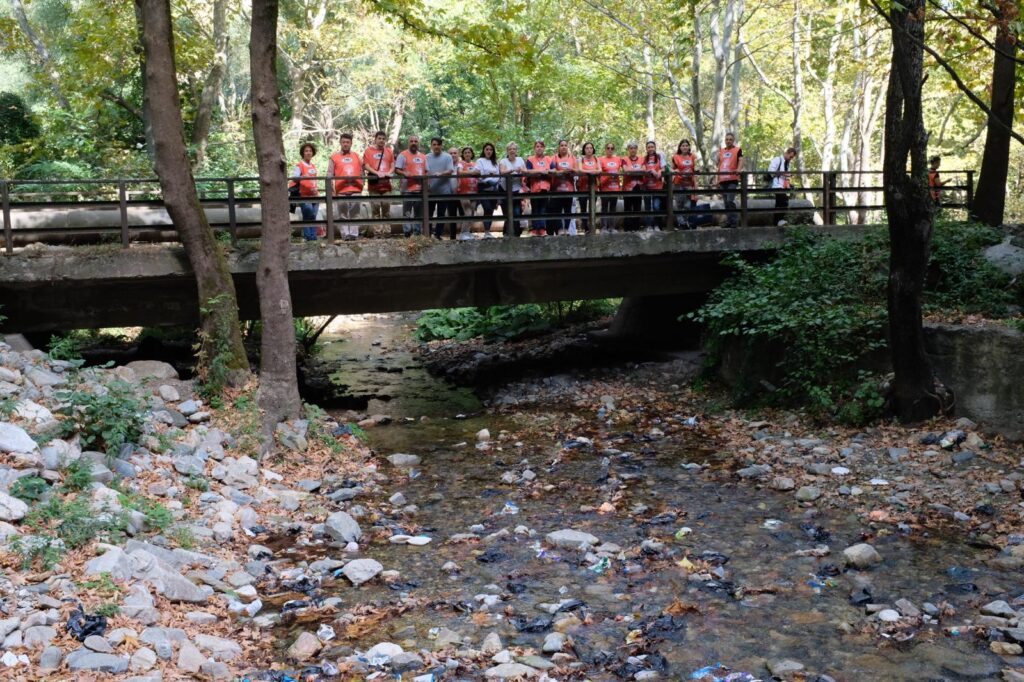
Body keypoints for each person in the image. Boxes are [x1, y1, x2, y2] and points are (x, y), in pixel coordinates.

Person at [327, 133, 364, 240]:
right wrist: (331, 189)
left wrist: (362, 184)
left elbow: (362, 172)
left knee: (355, 214)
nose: (345, 144)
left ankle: (353, 235)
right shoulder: (334, 157)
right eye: (343, 142)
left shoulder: (357, 156)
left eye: (348, 142)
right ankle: (345, 235)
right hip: (341, 190)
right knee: (342, 214)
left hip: (356, 189)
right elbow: (329, 174)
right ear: (340, 142)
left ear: (351, 143)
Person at [362, 130, 395, 237]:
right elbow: (366, 165)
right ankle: (377, 232)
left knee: (386, 210)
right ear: (375, 139)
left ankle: (387, 232)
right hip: (374, 185)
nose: (381, 140)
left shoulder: (389, 151)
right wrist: (377, 173)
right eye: (379, 138)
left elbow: (392, 165)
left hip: (386, 185)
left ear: (385, 140)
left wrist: (387, 173)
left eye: (383, 139)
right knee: (375, 210)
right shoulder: (369, 151)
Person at [395, 135, 427, 237]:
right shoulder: (402, 155)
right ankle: (407, 234)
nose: (414, 143)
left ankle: (417, 234)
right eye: (411, 141)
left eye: (416, 141)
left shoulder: (423, 156)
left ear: (419, 143)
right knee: (407, 213)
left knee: (418, 213)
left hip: (420, 189)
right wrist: (404, 173)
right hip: (407, 189)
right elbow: (397, 169)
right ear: (408, 143)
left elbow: (427, 171)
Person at [426, 137, 456, 239]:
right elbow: (424, 172)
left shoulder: (447, 157)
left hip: (444, 191)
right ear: (431, 146)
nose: (436, 146)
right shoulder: (427, 157)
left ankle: (438, 234)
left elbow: (450, 170)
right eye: (434, 144)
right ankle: (428, 235)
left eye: (438, 144)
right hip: (430, 191)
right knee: (429, 213)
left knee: (441, 214)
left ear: (441, 146)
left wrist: (440, 174)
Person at [289, 142, 320, 241]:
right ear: (303, 153)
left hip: (315, 194)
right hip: (304, 195)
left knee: (314, 216)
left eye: (310, 151)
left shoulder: (313, 166)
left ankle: (313, 237)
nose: (308, 153)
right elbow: (294, 178)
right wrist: (302, 177)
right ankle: (308, 236)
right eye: (306, 151)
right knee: (308, 214)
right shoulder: (300, 165)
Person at [498, 141, 528, 236]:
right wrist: (513, 170)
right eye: (510, 149)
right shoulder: (503, 161)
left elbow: (525, 171)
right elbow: (502, 172)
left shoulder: (520, 159)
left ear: (516, 150)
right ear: (507, 151)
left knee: (517, 212)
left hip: (517, 189)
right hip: (504, 190)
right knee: (507, 213)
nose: (512, 151)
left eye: (514, 149)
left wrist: (521, 170)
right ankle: (507, 234)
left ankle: (516, 234)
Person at [549, 139, 577, 235]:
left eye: (565, 145)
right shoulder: (554, 158)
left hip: (569, 189)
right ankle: (560, 229)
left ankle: (567, 229)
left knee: (568, 210)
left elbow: (578, 171)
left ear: (567, 147)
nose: (563, 147)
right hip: (557, 189)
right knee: (557, 210)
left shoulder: (573, 158)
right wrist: (561, 172)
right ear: (559, 147)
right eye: (561, 145)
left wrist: (571, 170)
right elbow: (551, 171)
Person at [716, 132, 743, 228]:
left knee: (730, 201)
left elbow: (740, 160)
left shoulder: (737, 150)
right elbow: (719, 165)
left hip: (732, 179)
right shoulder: (722, 151)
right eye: (727, 139)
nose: (728, 141)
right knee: (725, 202)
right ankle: (729, 221)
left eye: (730, 139)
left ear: (733, 140)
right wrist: (717, 179)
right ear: (725, 140)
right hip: (723, 179)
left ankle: (734, 222)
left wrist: (739, 169)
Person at [525, 140, 553, 236]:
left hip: (545, 187)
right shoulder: (530, 159)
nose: (539, 148)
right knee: (535, 209)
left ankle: (542, 229)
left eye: (541, 146)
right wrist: (541, 171)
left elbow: (553, 170)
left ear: (544, 148)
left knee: (543, 209)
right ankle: (535, 229)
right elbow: (527, 171)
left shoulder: (549, 159)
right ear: (534, 148)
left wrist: (546, 172)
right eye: (537, 146)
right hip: (534, 188)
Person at [475, 142, 501, 237]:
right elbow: (480, 174)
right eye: (487, 149)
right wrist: (489, 177)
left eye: (491, 149)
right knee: (487, 208)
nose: (489, 151)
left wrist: (492, 178)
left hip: (494, 189)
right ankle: (486, 231)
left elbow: (498, 175)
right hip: (483, 188)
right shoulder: (480, 161)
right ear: (484, 150)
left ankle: (488, 231)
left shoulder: (496, 162)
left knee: (491, 211)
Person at [672, 139, 699, 229]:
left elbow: (696, 168)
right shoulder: (676, 157)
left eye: (686, 145)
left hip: (689, 183)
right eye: (683, 145)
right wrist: (675, 171)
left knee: (687, 205)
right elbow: (672, 168)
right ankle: (682, 224)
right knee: (679, 205)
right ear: (680, 147)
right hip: (678, 183)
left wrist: (696, 184)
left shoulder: (693, 156)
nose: (685, 147)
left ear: (689, 147)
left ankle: (685, 221)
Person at [768, 147, 798, 226]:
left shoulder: (787, 163)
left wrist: (788, 182)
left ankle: (778, 221)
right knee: (781, 201)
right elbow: (771, 171)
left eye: (792, 158)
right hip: (776, 185)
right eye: (790, 157)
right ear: (787, 153)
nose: (791, 159)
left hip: (783, 186)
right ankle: (778, 221)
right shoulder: (777, 159)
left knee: (783, 202)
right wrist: (784, 174)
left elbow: (787, 175)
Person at [456, 146, 480, 240]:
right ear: (463, 154)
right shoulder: (461, 163)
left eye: (469, 152)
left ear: (472, 154)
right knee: (468, 211)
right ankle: (463, 233)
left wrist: (474, 172)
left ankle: (468, 232)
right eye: (465, 152)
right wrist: (471, 173)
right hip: (463, 191)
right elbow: (460, 172)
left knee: (472, 212)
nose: (467, 154)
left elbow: (478, 173)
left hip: (474, 190)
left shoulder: (475, 163)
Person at [621, 142, 645, 232]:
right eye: (631, 148)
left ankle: (636, 227)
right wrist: (637, 171)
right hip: (627, 187)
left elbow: (644, 169)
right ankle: (627, 228)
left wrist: (632, 171)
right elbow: (626, 170)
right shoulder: (624, 159)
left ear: (637, 149)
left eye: (634, 148)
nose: (633, 150)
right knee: (627, 207)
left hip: (638, 186)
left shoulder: (642, 159)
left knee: (637, 207)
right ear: (628, 149)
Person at [598, 142, 623, 232]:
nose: (610, 150)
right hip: (604, 187)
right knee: (604, 207)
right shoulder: (601, 159)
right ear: (605, 149)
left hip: (615, 187)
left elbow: (623, 169)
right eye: (608, 148)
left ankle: (612, 227)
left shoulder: (618, 159)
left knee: (613, 207)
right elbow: (598, 171)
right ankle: (603, 227)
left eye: (612, 148)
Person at [576, 142, 600, 234]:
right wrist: (593, 171)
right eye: (587, 148)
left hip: (594, 187)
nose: (589, 150)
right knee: (583, 208)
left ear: (593, 149)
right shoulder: (580, 159)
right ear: (584, 149)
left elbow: (600, 170)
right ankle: (585, 227)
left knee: (592, 208)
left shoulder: (596, 159)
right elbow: (580, 170)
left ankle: (592, 226)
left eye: (590, 148)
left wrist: (589, 172)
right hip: (582, 187)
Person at [642, 140, 666, 230]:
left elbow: (664, 168)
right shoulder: (644, 158)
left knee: (656, 206)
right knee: (648, 207)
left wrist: (659, 171)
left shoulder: (660, 157)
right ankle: (648, 226)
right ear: (646, 149)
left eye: (652, 147)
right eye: (649, 147)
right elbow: (643, 168)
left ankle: (656, 225)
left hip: (657, 186)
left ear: (655, 148)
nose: (650, 148)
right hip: (647, 186)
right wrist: (648, 171)